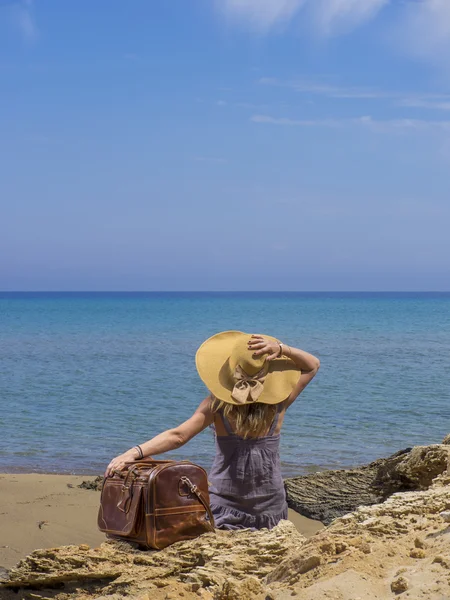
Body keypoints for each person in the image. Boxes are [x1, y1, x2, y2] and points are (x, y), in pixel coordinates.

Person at [105, 331, 320, 530]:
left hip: (223, 506)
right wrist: (281, 349)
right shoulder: (278, 406)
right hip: (270, 507)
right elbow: (312, 365)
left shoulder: (217, 406)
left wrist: (134, 452)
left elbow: (178, 436)